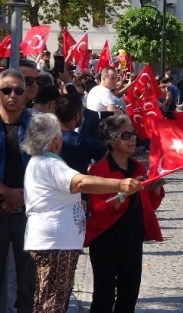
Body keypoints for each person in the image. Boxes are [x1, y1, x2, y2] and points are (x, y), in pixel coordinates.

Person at [21, 113, 142, 313]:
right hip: (56, 243)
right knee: (53, 301)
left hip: (52, 241)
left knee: (46, 298)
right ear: (55, 139)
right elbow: (80, 182)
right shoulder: (51, 164)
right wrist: (120, 184)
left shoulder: (40, 162)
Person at [84, 115, 166, 312]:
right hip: (105, 239)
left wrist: (154, 188)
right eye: (126, 135)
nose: (133, 139)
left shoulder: (137, 166)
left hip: (132, 238)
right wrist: (122, 195)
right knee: (104, 295)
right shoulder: (98, 170)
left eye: (134, 134)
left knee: (129, 294)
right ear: (111, 140)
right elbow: (97, 210)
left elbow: (148, 206)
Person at [0, 69, 35, 313]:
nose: (12, 95)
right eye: (6, 90)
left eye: (18, 91)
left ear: (25, 96)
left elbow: (48, 165)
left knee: (28, 280)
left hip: (28, 211)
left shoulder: (37, 126)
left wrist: (20, 197)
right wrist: (5, 192)